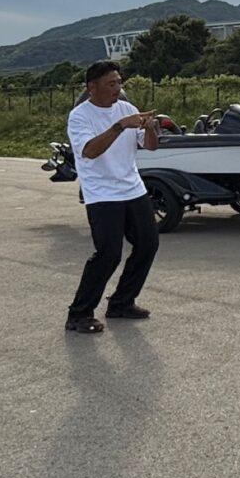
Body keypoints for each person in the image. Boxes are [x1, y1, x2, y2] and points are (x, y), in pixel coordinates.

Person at [64, 61, 161, 334]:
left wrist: (150, 128)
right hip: (102, 194)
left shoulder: (127, 109)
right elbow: (90, 151)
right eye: (111, 83)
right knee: (108, 254)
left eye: (119, 82)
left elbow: (150, 146)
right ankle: (79, 314)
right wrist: (119, 126)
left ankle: (121, 303)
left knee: (148, 244)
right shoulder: (80, 116)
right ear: (92, 87)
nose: (117, 88)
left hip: (133, 189)